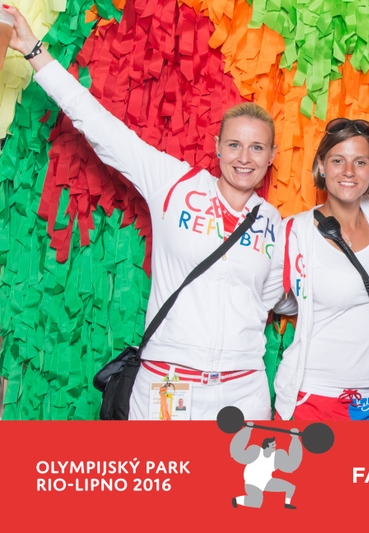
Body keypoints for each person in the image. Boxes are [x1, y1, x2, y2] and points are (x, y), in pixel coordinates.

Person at [4, 7, 292, 420]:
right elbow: (99, 126)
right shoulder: (174, 184)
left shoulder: (272, 222)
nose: (244, 158)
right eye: (234, 145)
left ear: (272, 156)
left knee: (241, 468)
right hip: (167, 387)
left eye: (257, 148)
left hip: (242, 392)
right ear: (217, 147)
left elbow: (270, 300)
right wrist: (35, 51)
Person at [265, 118, 369, 421]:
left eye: (360, 162)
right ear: (321, 165)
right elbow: (270, 301)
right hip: (313, 397)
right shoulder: (295, 231)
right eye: (338, 160)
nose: (349, 171)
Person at [230, 424, 302, 510]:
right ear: (267, 445)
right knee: (256, 503)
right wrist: (247, 430)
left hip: (266, 481)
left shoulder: (276, 457)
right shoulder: (256, 452)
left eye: (275, 444)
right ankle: (236, 500)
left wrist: (295, 438)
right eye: (273, 444)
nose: (275, 445)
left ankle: (287, 504)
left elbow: (292, 464)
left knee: (290, 487)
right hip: (253, 481)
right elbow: (238, 452)